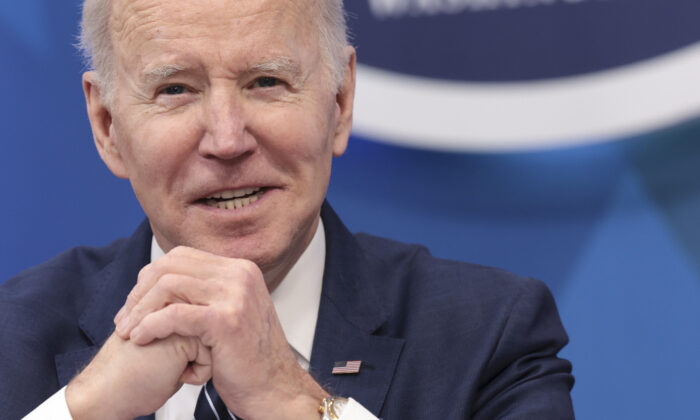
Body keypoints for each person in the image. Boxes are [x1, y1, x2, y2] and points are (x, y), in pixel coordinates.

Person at [0, 0, 575, 418]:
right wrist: (83, 411)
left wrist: (293, 401)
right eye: (175, 89)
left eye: (266, 81)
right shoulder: (11, 340)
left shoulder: (491, 337)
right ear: (106, 126)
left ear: (340, 102)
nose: (227, 140)